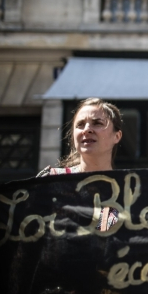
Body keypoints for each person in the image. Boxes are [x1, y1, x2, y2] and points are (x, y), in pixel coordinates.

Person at [37, 97, 123, 231]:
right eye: (80, 125)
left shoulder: (127, 191)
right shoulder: (50, 181)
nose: (87, 130)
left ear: (116, 136)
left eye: (97, 123)